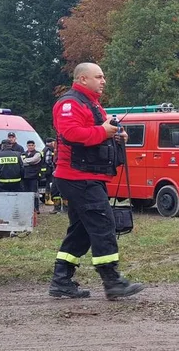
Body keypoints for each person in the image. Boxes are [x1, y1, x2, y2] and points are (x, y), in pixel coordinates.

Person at [49, 62, 143, 299]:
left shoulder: (91, 104)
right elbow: (71, 134)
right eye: (99, 76)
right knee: (103, 225)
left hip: (87, 176)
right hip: (77, 176)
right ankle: (112, 282)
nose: (103, 81)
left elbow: (96, 132)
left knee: (81, 231)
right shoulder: (69, 103)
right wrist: (103, 132)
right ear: (82, 79)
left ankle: (61, 281)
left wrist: (116, 134)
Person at [21, 139, 43, 211]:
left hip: (34, 176)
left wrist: (25, 161)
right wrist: (28, 162)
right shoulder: (23, 153)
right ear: (27, 146)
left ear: (34, 146)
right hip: (25, 176)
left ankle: (36, 208)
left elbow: (34, 160)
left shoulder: (38, 153)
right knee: (26, 193)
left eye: (32, 145)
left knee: (34, 193)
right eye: (29, 145)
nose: (30, 147)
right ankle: (27, 208)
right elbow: (21, 162)